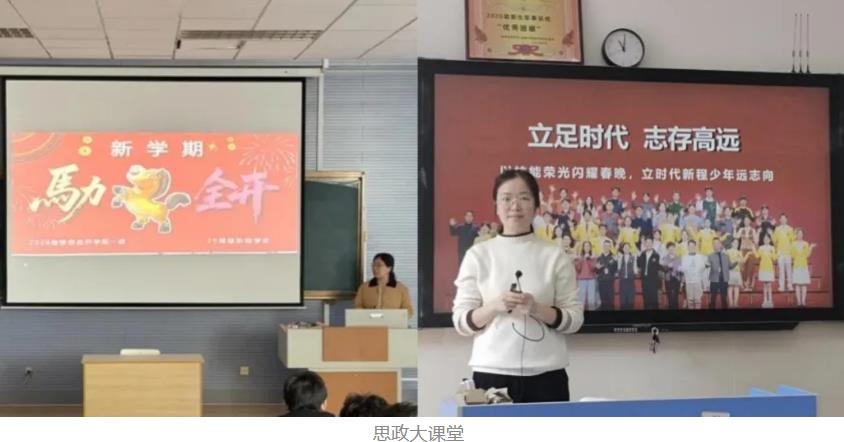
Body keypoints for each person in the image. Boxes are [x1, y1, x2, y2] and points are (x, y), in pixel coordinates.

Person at [452, 170, 584, 403]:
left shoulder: (554, 255)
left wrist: (537, 309)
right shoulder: (478, 255)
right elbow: (461, 322)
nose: (515, 206)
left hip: (547, 376)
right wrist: (494, 306)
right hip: (491, 374)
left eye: (524, 198)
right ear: (496, 206)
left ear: (536, 206)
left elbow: (574, 319)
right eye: (506, 198)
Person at [354, 253, 413, 317]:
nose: (374, 268)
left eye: (379, 265)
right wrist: (367, 314)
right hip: (369, 322)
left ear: (389, 268)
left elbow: (409, 310)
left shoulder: (401, 289)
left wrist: (395, 316)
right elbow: (357, 306)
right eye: (373, 265)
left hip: (392, 322)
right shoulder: (364, 287)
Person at [791, 228, 816, 307]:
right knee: (797, 285)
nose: (800, 235)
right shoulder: (793, 244)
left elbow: (807, 255)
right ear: (796, 235)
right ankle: (799, 302)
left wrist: (811, 247)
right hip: (796, 266)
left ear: (803, 235)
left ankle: (803, 301)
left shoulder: (805, 243)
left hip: (804, 266)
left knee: (804, 285)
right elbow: (792, 255)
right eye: (798, 233)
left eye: (801, 233)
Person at [679, 240, 707, 309]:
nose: (691, 247)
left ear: (695, 246)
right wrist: (682, 282)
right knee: (690, 300)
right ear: (688, 247)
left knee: (698, 300)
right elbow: (682, 271)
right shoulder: (684, 258)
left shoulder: (700, 257)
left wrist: (704, 284)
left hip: (698, 281)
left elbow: (703, 271)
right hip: (688, 282)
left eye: (693, 246)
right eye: (690, 246)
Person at [773, 213, 796, 292]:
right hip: (780, 252)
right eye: (781, 218)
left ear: (786, 219)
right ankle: (781, 286)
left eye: (784, 218)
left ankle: (790, 285)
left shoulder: (790, 229)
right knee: (781, 270)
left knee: (789, 269)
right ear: (779, 220)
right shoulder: (777, 229)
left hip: (788, 252)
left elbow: (792, 241)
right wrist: (776, 251)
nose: (783, 220)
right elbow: (774, 241)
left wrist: (792, 252)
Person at [637, 237, 662, 310]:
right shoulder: (642, 254)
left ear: (652, 244)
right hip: (644, 279)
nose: (648, 244)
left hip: (653, 280)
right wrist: (638, 257)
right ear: (645, 244)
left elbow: (658, 267)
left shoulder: (656, 255)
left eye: (650, 242)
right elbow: (639, 265)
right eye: (647, 242)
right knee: (645, 298)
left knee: (654, 299)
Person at [707, 239, 731, 309]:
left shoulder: (726, 256)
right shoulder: (710, 256)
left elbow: (730, 266)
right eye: (714, 243)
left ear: (721, 244)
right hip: (714, 280)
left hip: (724, 279)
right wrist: (707, 265)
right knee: (712, 299)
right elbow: (707, 265)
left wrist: (737, 261)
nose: (716, 245)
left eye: (717, 243)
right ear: (712, 245)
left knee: (724, 299)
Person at [576, 240, 599, 310]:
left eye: (588, 246)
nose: (587, 247)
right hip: (581, 280)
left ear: (590, 248)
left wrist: (589, 259)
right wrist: (582, 259)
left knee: (591, 299)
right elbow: (578, 268)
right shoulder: (580, 257)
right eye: (585, 246)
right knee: (581, 299)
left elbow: (593, 269)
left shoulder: (593, 257)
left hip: (591, 279)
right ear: (583, 247)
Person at [595, 240, 618, 311]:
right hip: (601, 281)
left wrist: (615, 262)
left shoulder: (613, 257)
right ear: (603, 246)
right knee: (603, 301)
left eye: (608, 246)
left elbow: (616, 269)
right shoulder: (599, 258)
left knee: (610, 300)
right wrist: (597, 268)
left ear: (610, 247)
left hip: (610, 281)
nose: (606, 247)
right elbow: (597, 271)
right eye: (605, 245)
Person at [756, 234, 777, 308]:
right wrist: (753, 249)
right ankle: (765, 300)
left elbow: (774, 258)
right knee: (765, 285)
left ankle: (770, 300)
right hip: (763, 267)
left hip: (769, 268)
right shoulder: (761, 248)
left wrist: (778, 253)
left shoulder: (772, 248)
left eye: (767, 239)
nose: (766, 240)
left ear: (770, 240)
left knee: (769, 285)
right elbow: (757, 256)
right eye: (765, 239)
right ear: (763, 240)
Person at [660, 242, 683, 309]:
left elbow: (681, 270)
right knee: (669, 296)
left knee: (675, 296)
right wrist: (667, 266)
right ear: (667, 249)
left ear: (675, 248)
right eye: (670, 249)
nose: (671, 250)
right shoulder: (664, 258)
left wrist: (682, 281)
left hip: (677, 279)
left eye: (672, 248)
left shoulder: (679, 258)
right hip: (668, 279)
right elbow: (662, 270)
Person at [725, 240, 746, 308]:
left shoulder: (739, 252)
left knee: (736, 287)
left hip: (737, 271)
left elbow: (743, 261)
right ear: (731, 243)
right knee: (730, 287)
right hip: (730, 271)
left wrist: (745, 256)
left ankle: (735, 303)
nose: (736, 244)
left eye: (737, 243)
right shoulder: (727, 251)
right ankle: (731, 303)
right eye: (734, 243)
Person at [617, 242, 638, 310]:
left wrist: (635, 273)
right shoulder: (620, 257)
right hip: (622, 280)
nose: (626, 249)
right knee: (622, 299)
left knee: (631, 298)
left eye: (628, 247)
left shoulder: (633, 257)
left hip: (630, 280)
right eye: (625, 247)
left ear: (630, 249)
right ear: (623, 249)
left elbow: (635, 269)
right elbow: (618, 268)